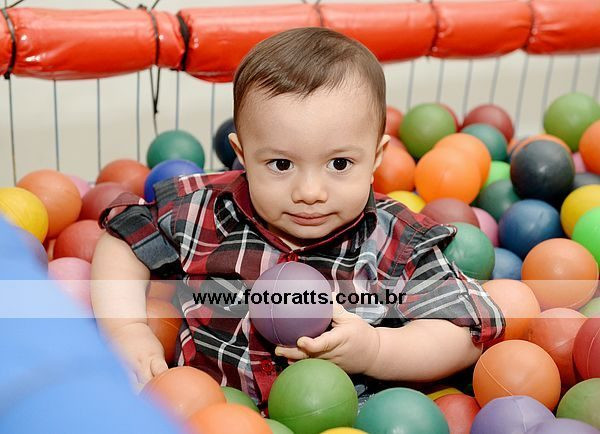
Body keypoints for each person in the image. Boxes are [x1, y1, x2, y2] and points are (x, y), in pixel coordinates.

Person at [91, 27, 504, 407]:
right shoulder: (205, 209)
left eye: (339, 164)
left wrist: (377, 350)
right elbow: (125, 234)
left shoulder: (396, 239)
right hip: (205, 411)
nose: (309, 192)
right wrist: (127, 329)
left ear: (376, 157)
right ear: (242, 154)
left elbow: (466, 327)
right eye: (281, 164)